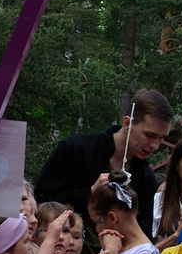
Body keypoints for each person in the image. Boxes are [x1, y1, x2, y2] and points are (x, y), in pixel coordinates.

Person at [31, 89, 171, 232]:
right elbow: (39, 201)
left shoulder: (146, 177)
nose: (155, 146)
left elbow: (143, 233)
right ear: (127, 122)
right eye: (149, 135)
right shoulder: (75, 149)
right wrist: (89, 192)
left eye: (161, 138)